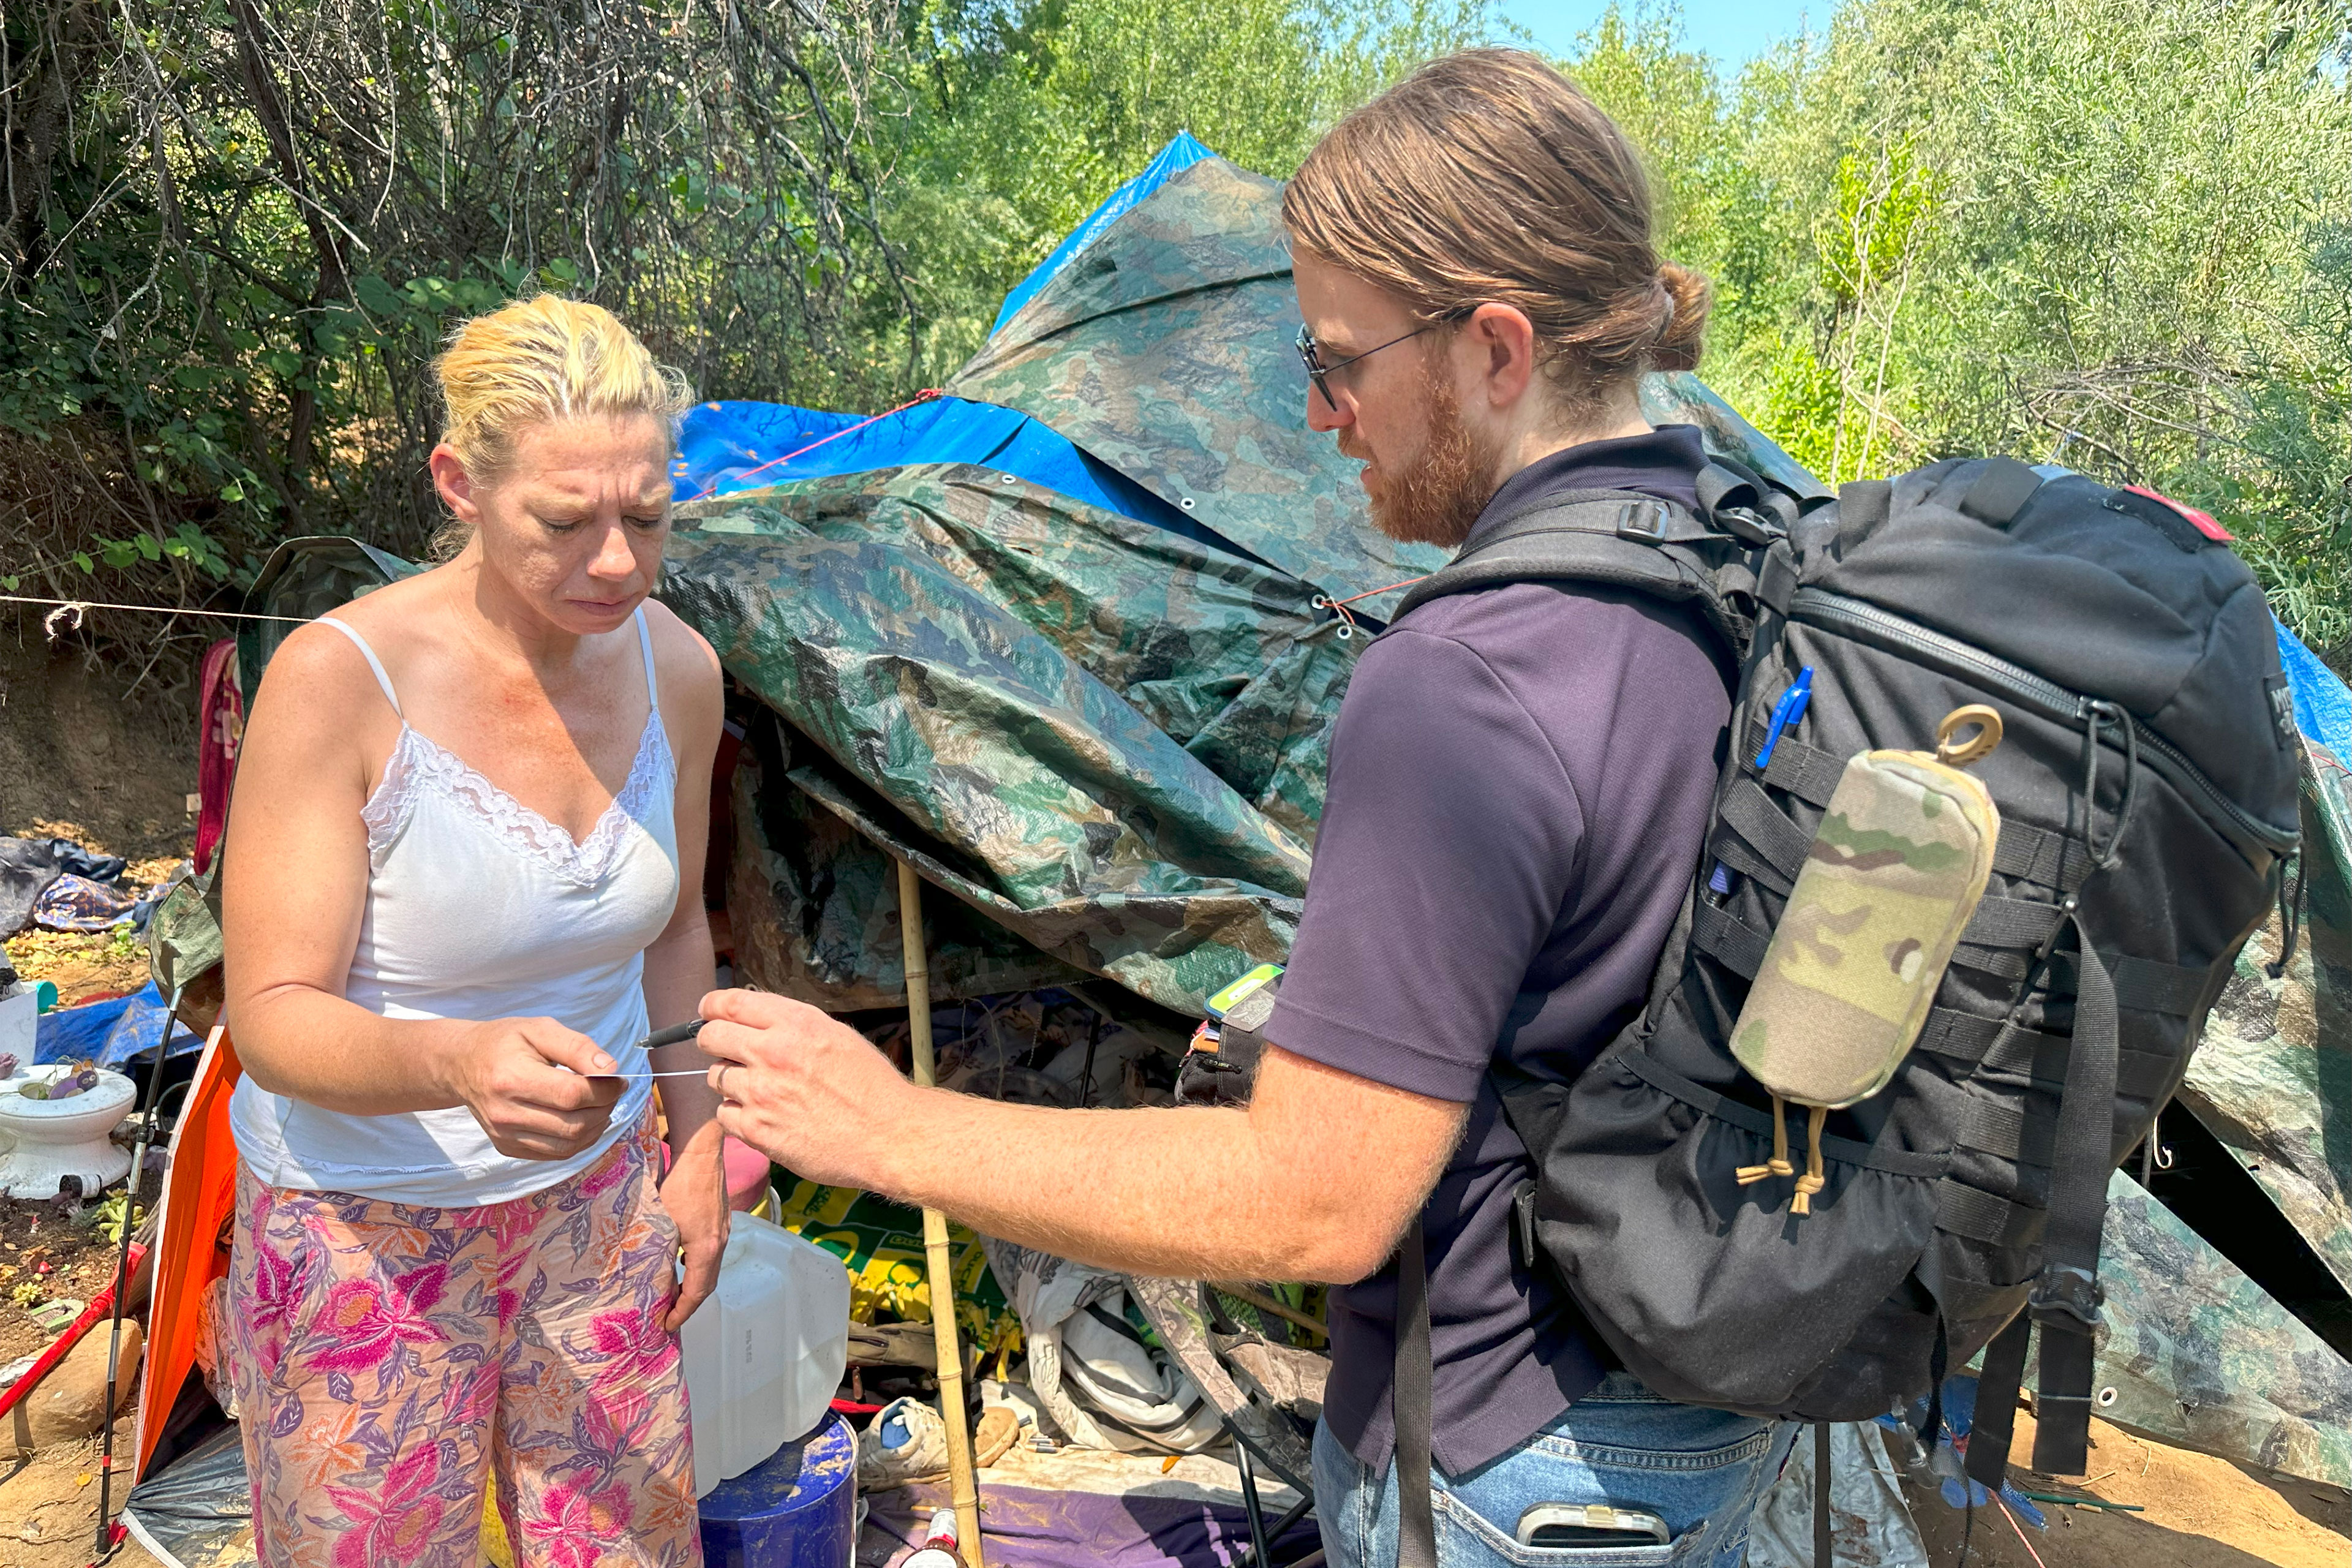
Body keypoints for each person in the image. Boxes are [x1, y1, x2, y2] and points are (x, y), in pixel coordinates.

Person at [695, 49, 1792, 1567]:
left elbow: (1313, 1202)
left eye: (1338, 360)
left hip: (1502, 1454)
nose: (1326, 411)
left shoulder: (1467, 674)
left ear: (1493, 347)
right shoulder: (1747, 570)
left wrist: (886, 1125)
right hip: (1699, 1419)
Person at [219, 294, 726, 1568]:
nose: (616, 559)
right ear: (458, 483)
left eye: (648, 515)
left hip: (598, 1214)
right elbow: (271, 1013)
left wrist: (702, 1144)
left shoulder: (682, 671)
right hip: (361, 1230)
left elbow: (674, 933)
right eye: (564, 521)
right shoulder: (342, 681)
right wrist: (457, 1063)